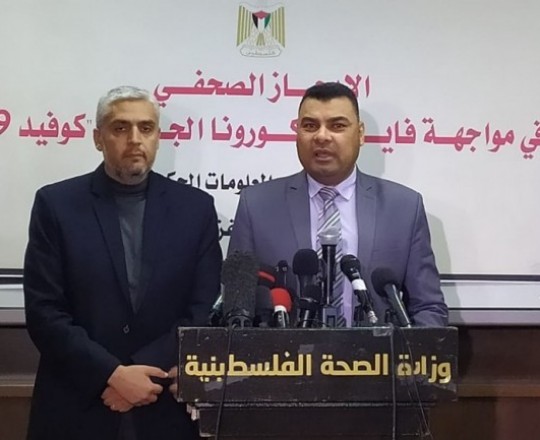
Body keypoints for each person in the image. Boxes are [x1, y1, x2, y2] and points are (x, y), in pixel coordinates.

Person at [23, 86, 222, 439]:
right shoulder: (56, 205)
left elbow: (203, 307)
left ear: (158, 138)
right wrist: (111, 375)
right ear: (98, 138)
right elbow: (44, 311)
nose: (134, 139)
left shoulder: (196, 208)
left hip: (164, 405)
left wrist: (143, 371)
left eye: (146, 128)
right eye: (120, 128)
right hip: (77, 403)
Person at [228, 82, 447, 327]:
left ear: (360, 134)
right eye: (310, 126)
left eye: (337, 126)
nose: (322, 136)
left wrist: (412, 351)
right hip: (283, 351)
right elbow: (235, 307)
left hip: (377, 351)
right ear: (297, 133)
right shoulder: (256, 205)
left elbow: (428, 307)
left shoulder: (404, 208)